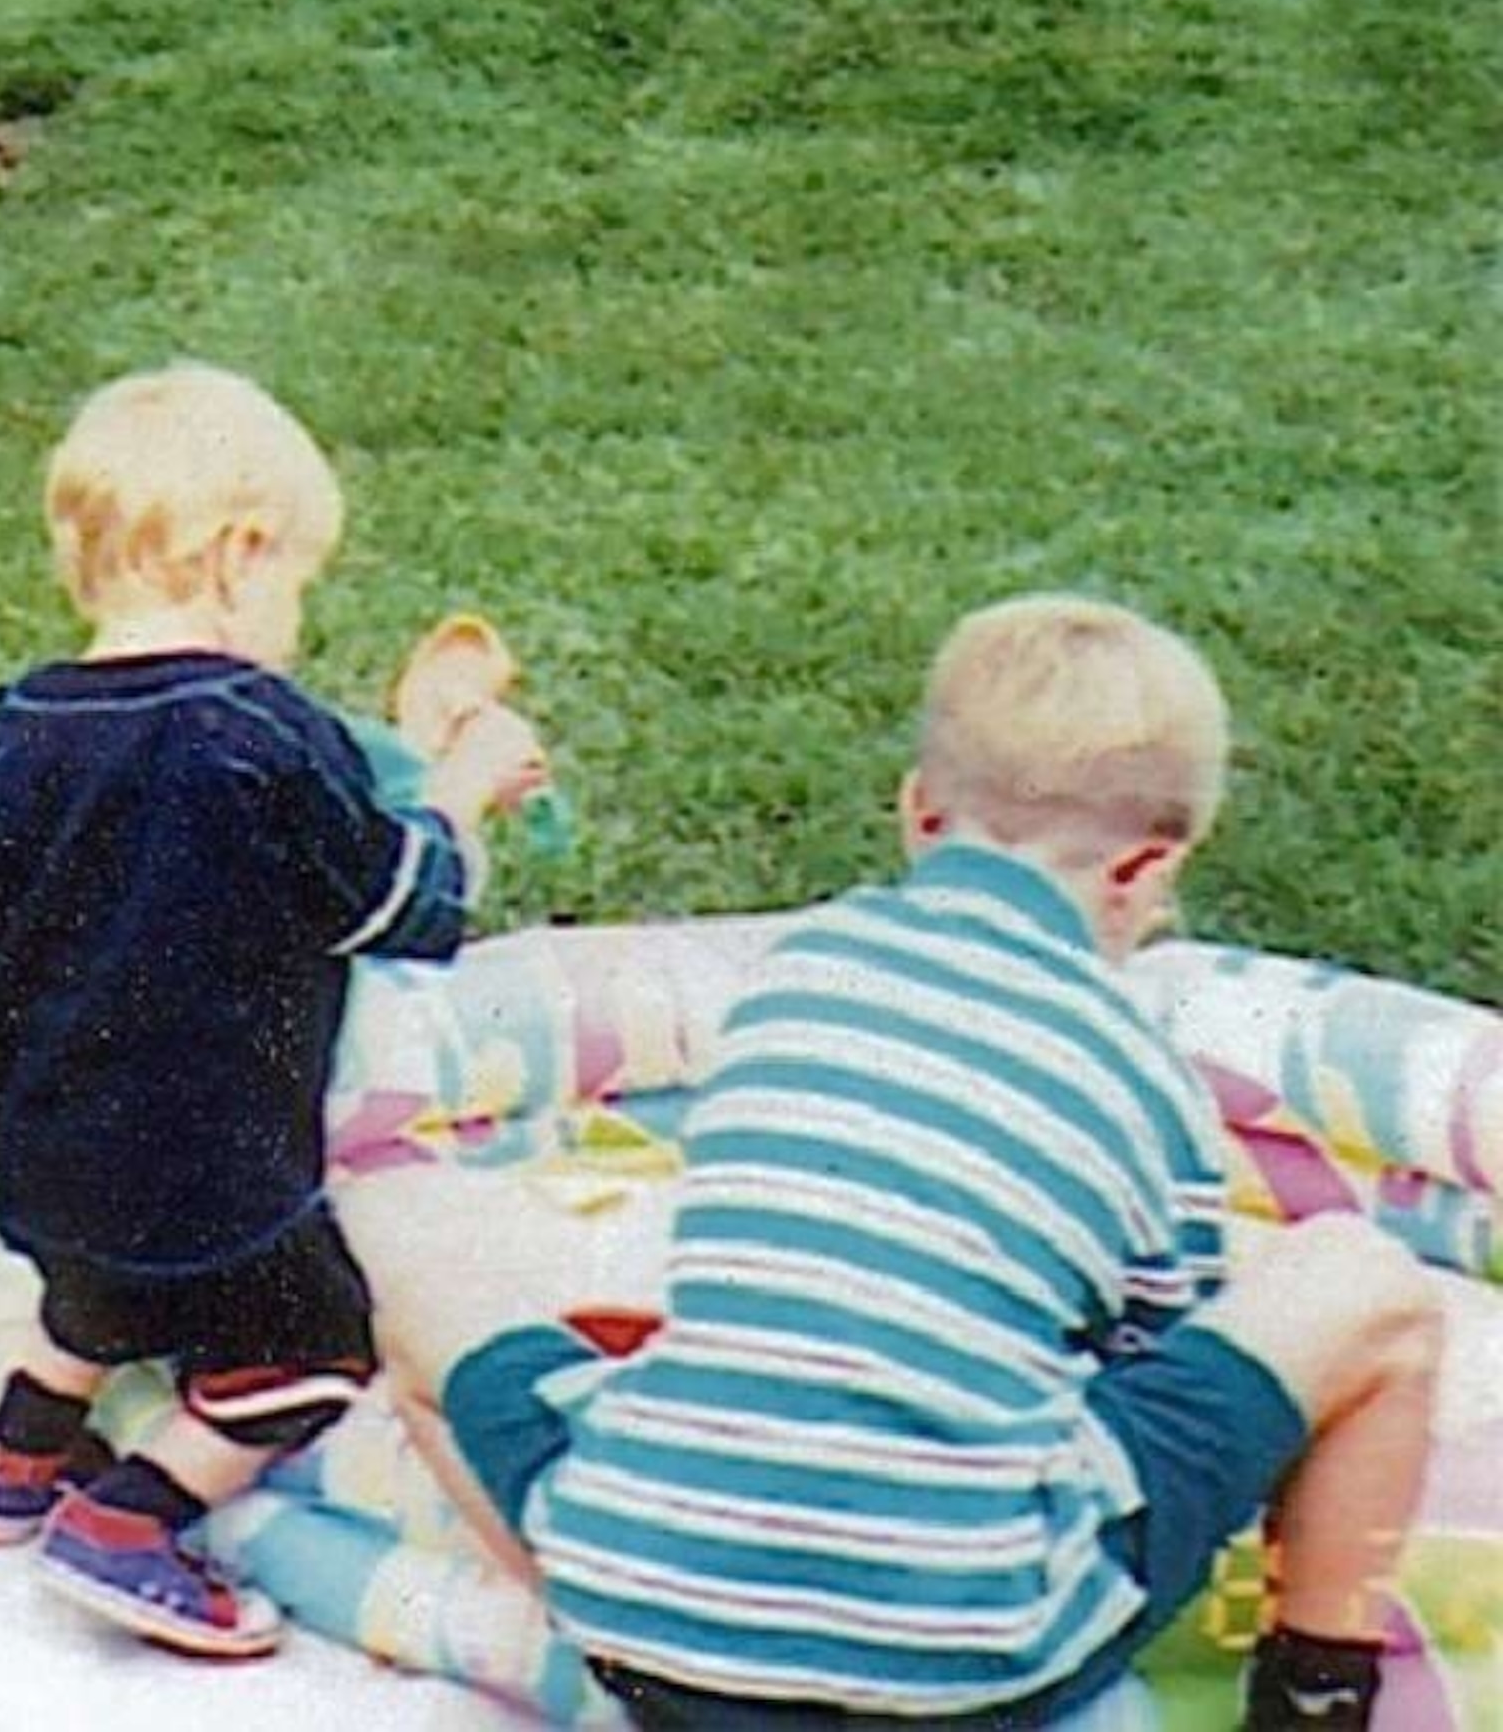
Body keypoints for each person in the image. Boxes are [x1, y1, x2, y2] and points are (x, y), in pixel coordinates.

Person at [399, 594, 1445, 1730]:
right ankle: (1319, 1683)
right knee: (1363, 1286)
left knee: (426, 1283)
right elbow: (1147, 1363)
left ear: (918, 811)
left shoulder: (787, 986)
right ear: (1148, 867)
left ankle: (648, 1608)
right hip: (979, 1655)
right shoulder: (1146, 1077)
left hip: (644, 1620)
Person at [0, 362, 546, 1657]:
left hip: (41, 1162)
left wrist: (21, 890)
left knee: (96, 1287)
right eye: (295, 581)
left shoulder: (9, 735)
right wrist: (460, 788)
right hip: (215, 1179)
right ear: (238, 553)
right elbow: (411, 902)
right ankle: (133, 1517)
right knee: (315, 1339)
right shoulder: (267, 738)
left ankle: (16, 1451)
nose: (293, 614)